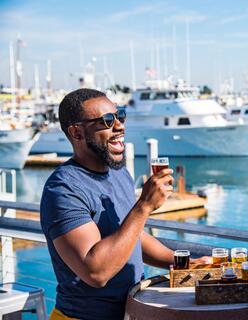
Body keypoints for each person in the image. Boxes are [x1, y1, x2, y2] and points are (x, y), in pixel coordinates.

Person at [40, 89, 210, 320]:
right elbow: (96, 272)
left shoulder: (118, 173)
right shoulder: (63, 189)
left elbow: (130, 236)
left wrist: (183, 263)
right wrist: (144, 207)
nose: (119, 125)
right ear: (76, 132)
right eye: (107, 121)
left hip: (132, 312)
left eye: (120, 116)